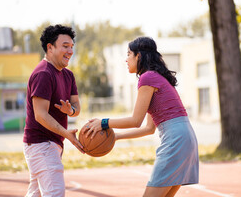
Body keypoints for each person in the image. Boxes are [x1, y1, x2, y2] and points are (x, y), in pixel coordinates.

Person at [85, 36, 199, 197]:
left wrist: (104, 123)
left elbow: (135, 121)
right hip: (186, 139)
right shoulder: (156, 77)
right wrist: (115, 137)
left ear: (138, 56)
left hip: (176, 140)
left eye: (128, 54)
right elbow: (148, 128)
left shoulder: (148, 77)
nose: (126, 60)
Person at [23, 24, 84, 197]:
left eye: (72, 46)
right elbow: (40, 115)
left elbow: (77, 107)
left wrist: (70, 111)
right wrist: (67, 134)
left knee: (36, 194)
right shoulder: (43, 74)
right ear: (50, 47)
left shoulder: (68, 75)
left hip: (51, 144)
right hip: (41, 144)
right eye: (65, 46)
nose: (70, 51)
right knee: (55, 193)